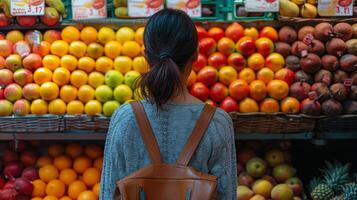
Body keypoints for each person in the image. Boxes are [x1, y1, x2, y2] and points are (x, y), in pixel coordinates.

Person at [100, 9, 237, 200]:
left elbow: (108, 194)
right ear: (196, 54)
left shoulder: (125, 118)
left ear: (145, 56)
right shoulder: (218, 122)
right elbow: (227, 196)